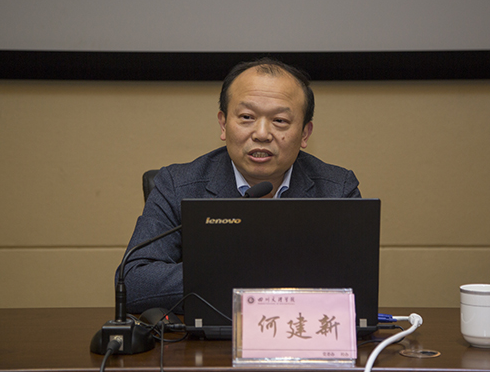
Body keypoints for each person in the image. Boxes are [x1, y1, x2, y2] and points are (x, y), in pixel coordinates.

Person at [119, 58, 361, 313]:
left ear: (304, 134)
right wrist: (249, 274)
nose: (262, 134)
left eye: (280, 120)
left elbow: (356, 286)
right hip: (210, 336)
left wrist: (230, 278)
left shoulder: (338, 190)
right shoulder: (177, 185)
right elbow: (134, 282)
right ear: (223, 124)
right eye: (247, 117)